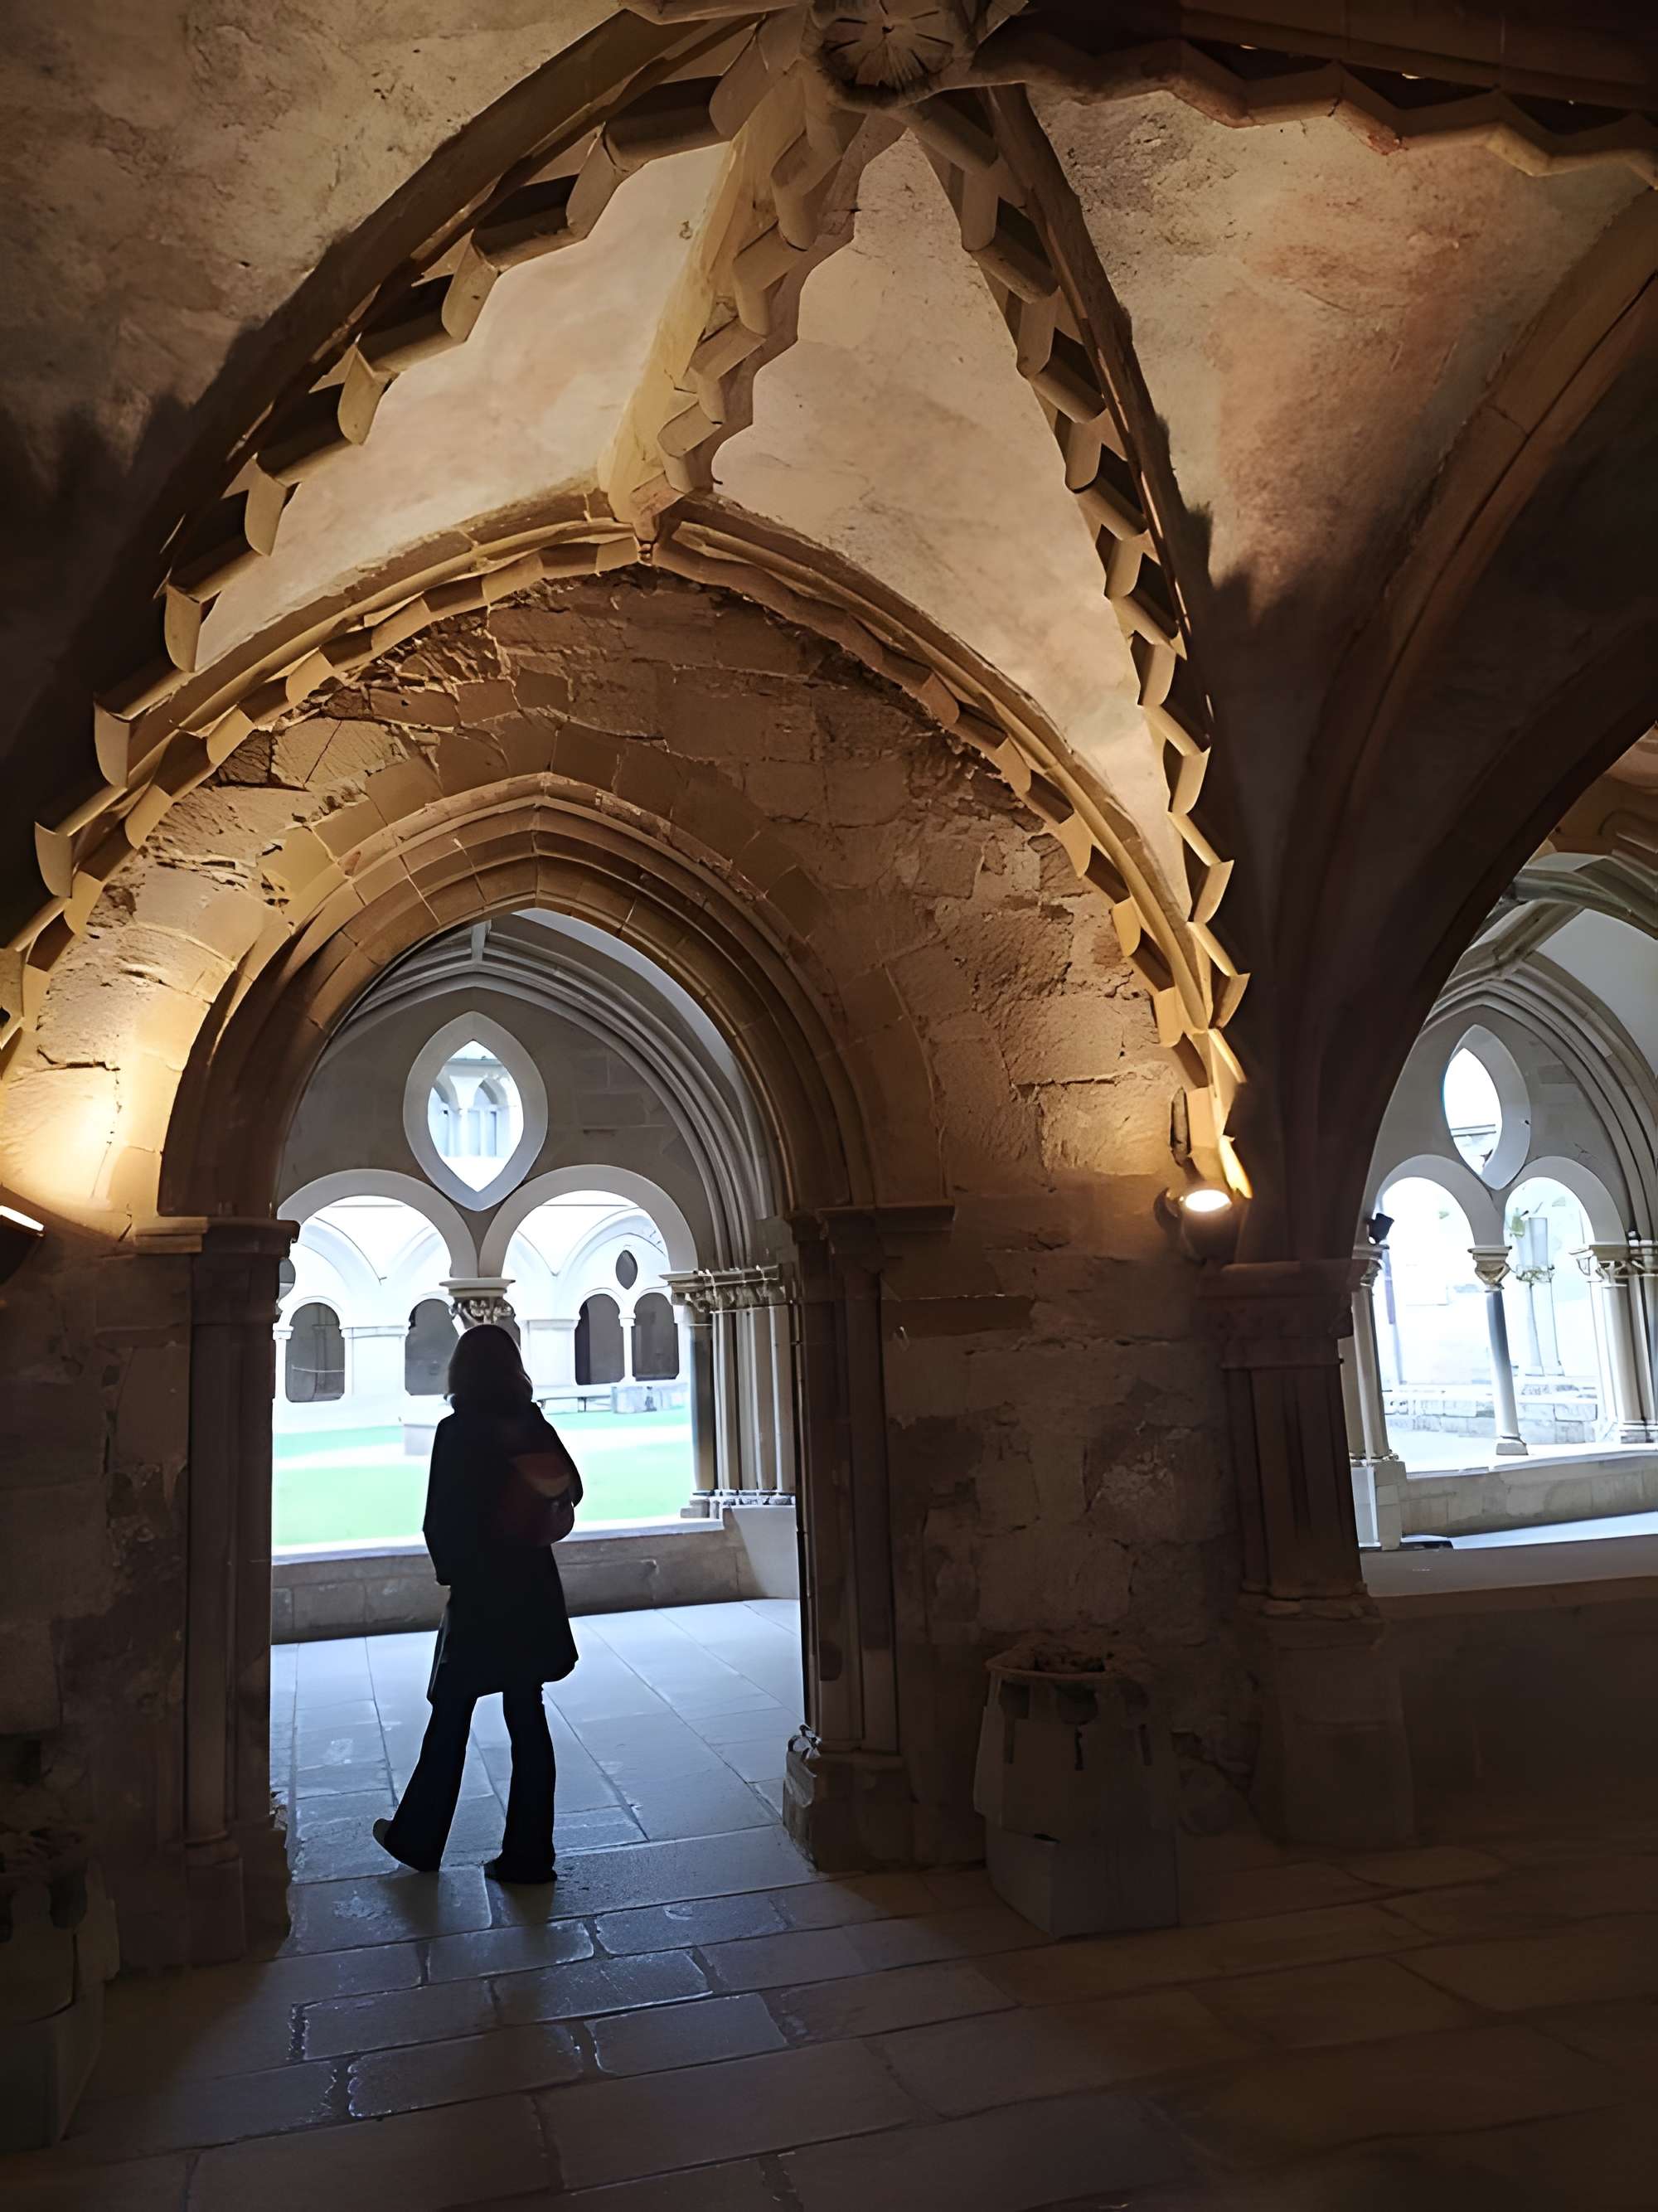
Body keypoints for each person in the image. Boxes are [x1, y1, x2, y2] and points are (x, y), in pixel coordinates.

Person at [374, 1324, 583, 1884]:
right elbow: (573, 1489)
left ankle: (418, 1839)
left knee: (450, 1717)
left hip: (481, 1591)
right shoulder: (528, 1424)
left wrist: (455, 1574)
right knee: (527, 1716)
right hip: (530, 1588)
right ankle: (531, 1853)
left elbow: (439, 1518)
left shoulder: (457, 1431)